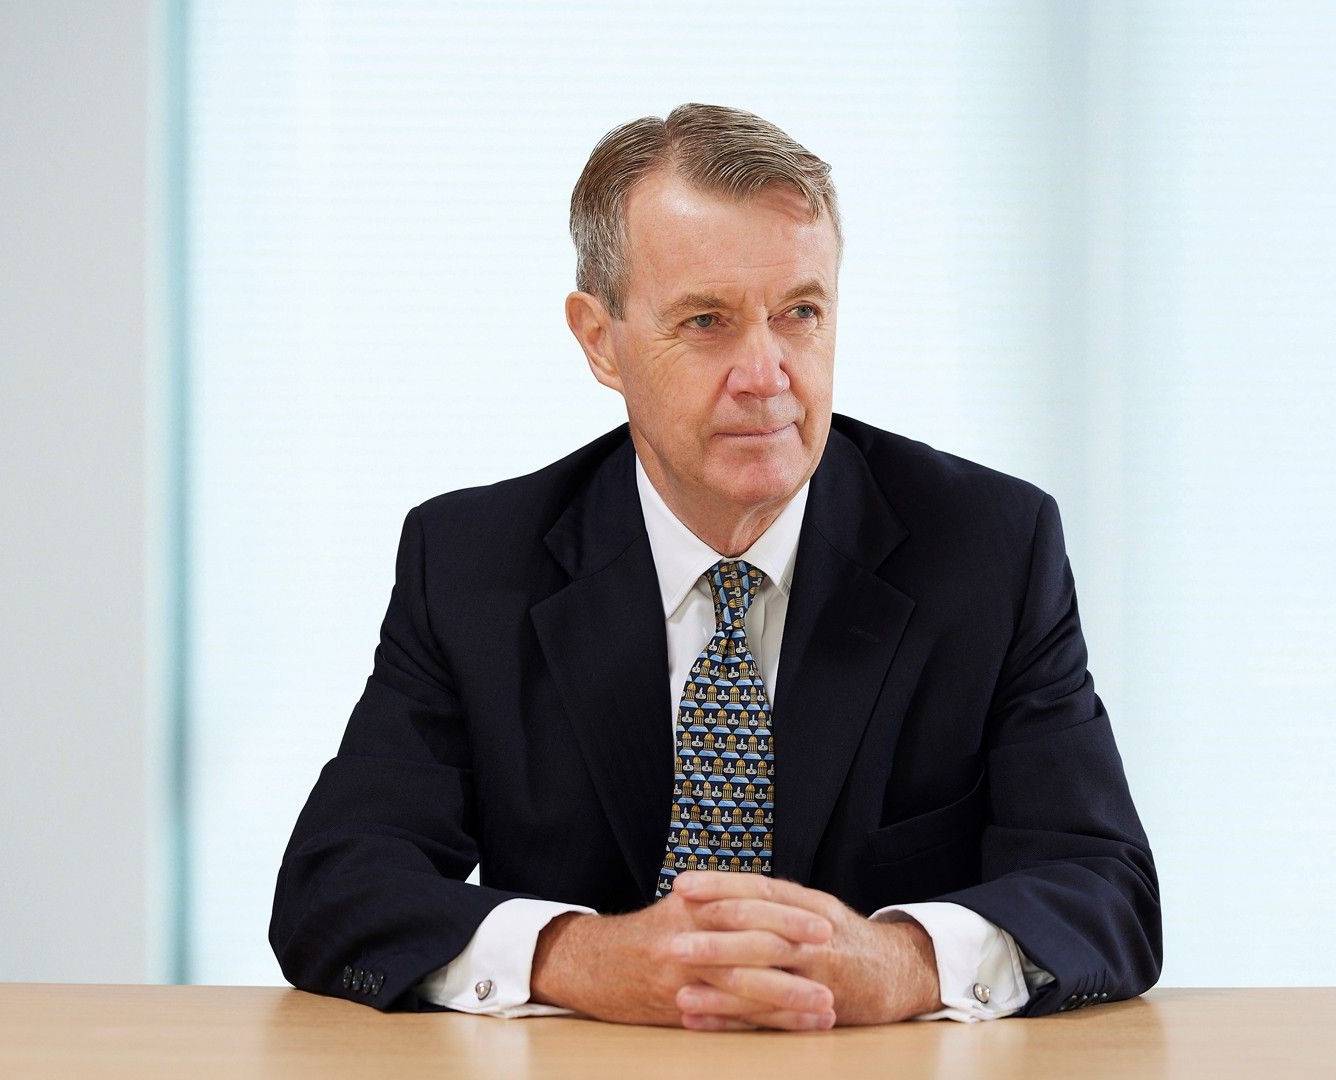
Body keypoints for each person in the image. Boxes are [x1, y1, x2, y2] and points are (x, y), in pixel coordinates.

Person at [269, 103, 1161, 1031]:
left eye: (801, 314)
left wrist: (899, 963)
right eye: (707, 321)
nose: (767, 372)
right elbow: (338, 884)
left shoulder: (988, 546)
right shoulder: (473, 563)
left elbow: (1106, 891)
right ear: (599, 340)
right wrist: (580, 957)